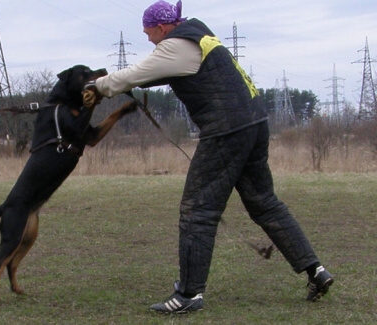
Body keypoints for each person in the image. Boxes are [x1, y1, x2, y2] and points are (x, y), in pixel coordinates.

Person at [90, 0, 334, 314]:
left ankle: (189, 294)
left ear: (161, 28)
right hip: (255, 123)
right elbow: (153, 75)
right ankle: (316, 270)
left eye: (148, 33)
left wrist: (97, 86)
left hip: (227, 129)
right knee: (265, 202)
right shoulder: (202, 38)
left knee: (197, 210)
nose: (148, 39)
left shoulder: (175, 45)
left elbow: (134, 74)